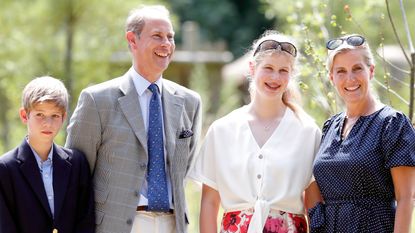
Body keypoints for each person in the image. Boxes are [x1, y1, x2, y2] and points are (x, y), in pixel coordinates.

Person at [65, 4, 202, 233]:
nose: (166, 44)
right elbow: (75, 175)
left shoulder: (190, 102)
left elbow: (185, 167)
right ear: (132, 40)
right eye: (157, 36)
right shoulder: (97, 101)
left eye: (170, 37)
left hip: (173, 225)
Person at [190, 30, 321, 233]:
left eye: (283, 70)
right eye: (268, 68)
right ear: (252, 68)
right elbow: (209, 203)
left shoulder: (308, 132)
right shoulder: (222, 130)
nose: (275, 77)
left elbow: (314, 206)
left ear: (291, 75)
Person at [307, 34, 415, 233]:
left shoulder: (392, 124)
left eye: (357, 68)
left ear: (371, 71)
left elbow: (406, 198)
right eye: (341, 71)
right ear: (331, 77)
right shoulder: (330, 126)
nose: (350, 78)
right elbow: (315, 191)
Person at [0, 76, 95, 233]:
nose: (48, 123)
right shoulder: (5, 168)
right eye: (40, 115)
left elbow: (85, 221)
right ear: (24, 115)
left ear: (64, 117)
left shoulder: (77, 163)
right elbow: (5, 226)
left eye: (55, 116)